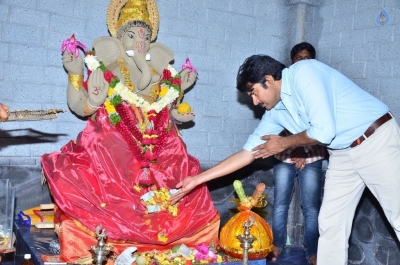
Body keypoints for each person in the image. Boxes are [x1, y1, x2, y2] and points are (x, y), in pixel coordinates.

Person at [170, 54, 400, 265]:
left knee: (397, 213)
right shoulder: (276, 112)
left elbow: (323, 132)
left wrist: (282, 144)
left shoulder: (305, 72)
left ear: (268, 80)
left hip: (375, 138)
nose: (255, 102)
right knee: (331, 224)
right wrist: (198, 179)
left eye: (253, 92)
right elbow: (247, 154)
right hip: (341, 153)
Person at [41, 0, 219, 262]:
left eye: (146, 36)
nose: (140, 41)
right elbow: (82, 108)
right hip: (114, 140)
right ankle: (105, 240)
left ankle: (178, 241)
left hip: (158, 144)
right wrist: (76, 76)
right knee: (108, 153)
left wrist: (178, 101)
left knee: (178, 157)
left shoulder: (162, 75)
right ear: (116, 40)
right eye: (132, 35)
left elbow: (165, 110)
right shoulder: (107, 68)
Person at [270, 42, 325, 265]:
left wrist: (303, 151)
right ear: (292, 60)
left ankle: (312, 251)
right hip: (285, 154)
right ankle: (276, 246)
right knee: (280, 203)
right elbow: (279, 120)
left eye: (307, 57)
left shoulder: (316, 84)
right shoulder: (285, 83)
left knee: (311, 207)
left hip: (312, 156)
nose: (302, 61)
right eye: (298, 57)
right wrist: (295, 149)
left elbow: (318, 124)